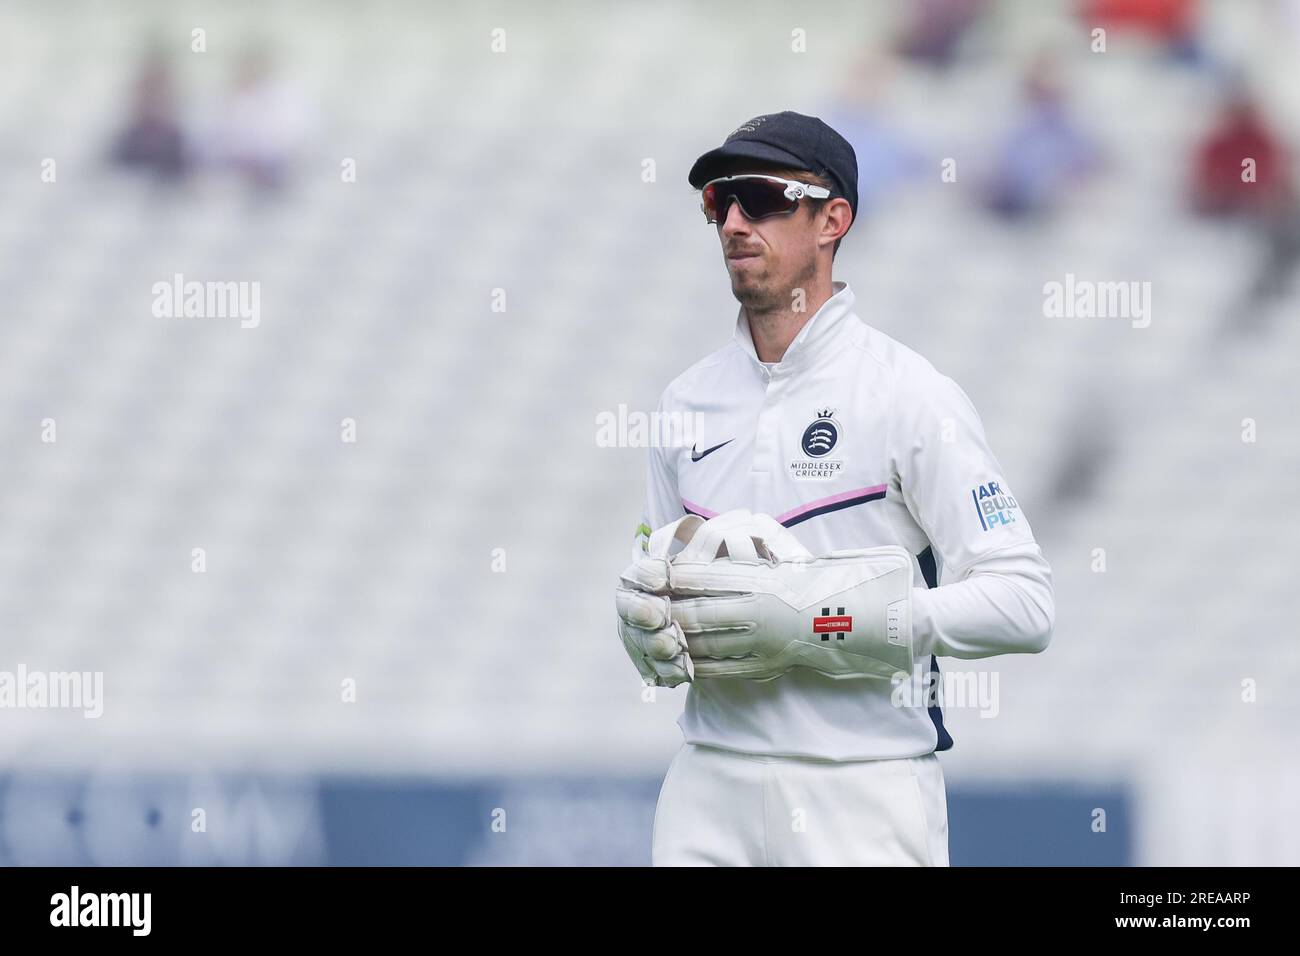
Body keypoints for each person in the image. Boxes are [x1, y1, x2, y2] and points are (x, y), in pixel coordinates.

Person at [615, 111, 1055, 866]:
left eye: (761, 198)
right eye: (719, 203)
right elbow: (663, 572)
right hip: (705, 783)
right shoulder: (685, 402)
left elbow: (1024, 606)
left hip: (862, 791)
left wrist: (818, 622)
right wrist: (645, 627)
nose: (734, 222)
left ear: (834, 219)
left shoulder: (910, 395)